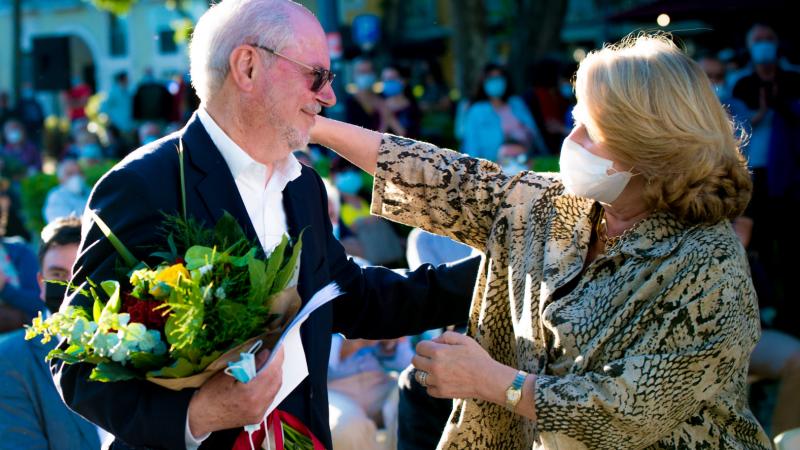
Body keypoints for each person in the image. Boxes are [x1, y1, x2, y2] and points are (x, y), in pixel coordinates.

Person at [52, 1, 480, 449]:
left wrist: (500, 269)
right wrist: (197, 416)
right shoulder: (143, 185)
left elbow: (354, 297)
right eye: (317, 75)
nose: (329, 97)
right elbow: (76, 365)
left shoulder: (303, 186)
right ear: (248, 67)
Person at [311, 33, 772, 448]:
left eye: (592, 131)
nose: (572, 140)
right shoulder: (558, 205)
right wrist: (313, 127)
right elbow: (446, 180)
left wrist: (492, 381)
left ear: (651, 146)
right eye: (576, 120)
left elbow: (624, 414)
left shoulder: (710, 263)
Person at [0, 216, 106, 449]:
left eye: (80, 274)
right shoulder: (10, 361)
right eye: (58, 275)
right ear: (41, 283)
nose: (69, 287)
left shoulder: (136, 342)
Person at [461, 63, 547, 161]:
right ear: (483, 82)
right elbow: (471, 144)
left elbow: (535, 134)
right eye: (491, 78)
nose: (496, 82)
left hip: (525, 159)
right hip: (493, 163)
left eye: (499, 78)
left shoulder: (516, 103)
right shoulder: (476, 111)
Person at [42, 158, 89, 223]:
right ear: (60, 179)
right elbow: (63, 224)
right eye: (70, 174)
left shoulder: (89, 191)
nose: (76, 176)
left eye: (79, 173)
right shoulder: (56, 196)